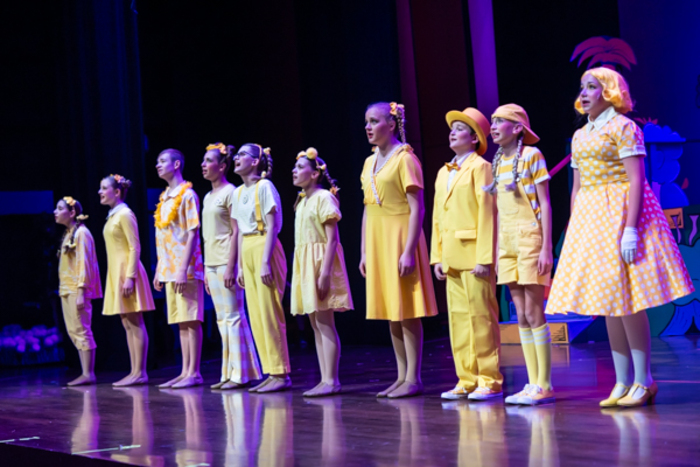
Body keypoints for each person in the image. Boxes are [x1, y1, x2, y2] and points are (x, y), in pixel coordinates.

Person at [547, 67, 694, 407]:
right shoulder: (581, 135)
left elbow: (636, 180)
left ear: (609, 91)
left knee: (629, 300)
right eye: (582, 87)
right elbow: (579, 187)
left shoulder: (624, 128)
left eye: (592, 87)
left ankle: (644, 380)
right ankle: (622, 380)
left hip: (620, 212)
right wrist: (574, 226)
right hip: (591, 218)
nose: (583, 93)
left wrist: (630, 228)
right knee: (608, 303)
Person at [360, 102, 438, 398]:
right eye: (366, 122)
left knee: (406, 308)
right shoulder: (370, 162)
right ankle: (400, 375)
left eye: (374, 121)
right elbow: (368, 207)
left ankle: (413, 377)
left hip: (400, 235)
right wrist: (365, 250)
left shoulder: (405, 159)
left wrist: (408, 250)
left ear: (390, 124)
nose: (368, 127)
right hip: (378, 237)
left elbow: (417, 208)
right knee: (392, 310)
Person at [483, 104, 554, 405]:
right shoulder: (498, 160)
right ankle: (531, 382)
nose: (494, 127)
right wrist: (498, 249)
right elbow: (498, 210)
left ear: (518, 128)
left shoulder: (532, 157)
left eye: (501, 122)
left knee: (534, 311)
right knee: (519, 313)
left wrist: (547, 247)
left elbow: (546, 204)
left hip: (530, 236)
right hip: (507, 240)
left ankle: (545, 384)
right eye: (493, 122)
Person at [431, 107, 503, 401]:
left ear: (474, 139)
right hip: (451, 257)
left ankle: (489, 379)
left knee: (481, 317)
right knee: (458, 319)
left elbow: (488, 214)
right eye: (452, 128)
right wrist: (437, 256)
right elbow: (438, 216)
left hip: (474, 254)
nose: (452, 132)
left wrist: (485, 258)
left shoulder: (481, 167)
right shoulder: (443, 171)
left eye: (460, 128)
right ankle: (466, 378)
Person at [291, 147, 353, 397]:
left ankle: (332, 380)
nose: (294, 172)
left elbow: (332, 238)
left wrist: (325, 272)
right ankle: (325, 378)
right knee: (316, 323)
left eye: (300, 168)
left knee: (325, 322)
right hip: (307, 263)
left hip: (320, 263)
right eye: (294, 168)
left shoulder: (323, 197)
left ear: (315, 173)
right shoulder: (302, 200)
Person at [231, 143, 292, 393]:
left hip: (265, 247)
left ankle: (281, 373)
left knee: (269, 311)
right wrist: (240, 267)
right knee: (255, 315)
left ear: (255, 161)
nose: (237, 158)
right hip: (248, 249)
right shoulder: (237, 193)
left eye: (242, 154)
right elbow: (237, 232)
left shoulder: (264, 186)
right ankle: (271, 371)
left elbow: (272, 226)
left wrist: (265, 260)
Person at [201, 143, 262, 389]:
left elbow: (236, 231)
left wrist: (232, 266)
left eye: (209, 161)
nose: (204, 165)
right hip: (211, 262)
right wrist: (206, 269)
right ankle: (229, 372)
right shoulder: (207, 196)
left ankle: (241, 374)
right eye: (203, 161)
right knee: (221, 319)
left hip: (227, 261)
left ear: (222, 166)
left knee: (235, 317)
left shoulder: (231, 192)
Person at [153, 149, 206, 389]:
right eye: (157, 162)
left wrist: (183, 268)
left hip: (185, 267)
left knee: (191, 319)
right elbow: (163, 236)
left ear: (176, 164)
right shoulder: (165, 197)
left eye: (162, 161)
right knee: (181, 321)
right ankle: (185, 370)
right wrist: (159, 269)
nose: (158, 165)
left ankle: (194, 372)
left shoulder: (188, 195)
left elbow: (193, 231)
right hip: (170, 268)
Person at [99, 174, 155, 386]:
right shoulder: (113, 215)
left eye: (104, 188)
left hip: (127, 273)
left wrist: (130, 277)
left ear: (117, 191)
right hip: (116, 272)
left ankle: (140, 372)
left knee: (135, 321)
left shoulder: (124, 214)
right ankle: (134, 371)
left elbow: (135, 246)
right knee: (127, 323)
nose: (100, 192)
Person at [54, 196, 102, 386]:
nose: (55, 212)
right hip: (66, 288)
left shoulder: (81, 233)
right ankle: (85, 372)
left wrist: (81, 290)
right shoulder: (68, 233)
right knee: (73, 330)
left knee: (82, 329)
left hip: (77, 289)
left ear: (72, 212)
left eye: (59, 208)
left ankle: (88, 373)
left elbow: (84, 262)